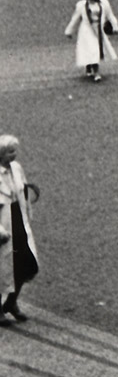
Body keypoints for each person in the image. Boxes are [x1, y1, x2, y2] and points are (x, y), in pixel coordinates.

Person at [0, 137, 37, 325]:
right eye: (9, 152)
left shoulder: (16, 168)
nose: (13, 155)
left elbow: (23, 190)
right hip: (3, 225)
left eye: (14, 151)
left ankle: (12, 302)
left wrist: (28, 212)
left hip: (18, 220)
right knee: (2, 269)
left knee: (25, 264)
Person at [64, 0, 116, 83]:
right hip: (86, 31)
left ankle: (93, 69)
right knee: (91, 50)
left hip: (99, 30)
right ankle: (94, 71)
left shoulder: (103, 3)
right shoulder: (81, 5)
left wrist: (115, 26)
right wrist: (69, 31)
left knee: (95, 50)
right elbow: (75, 19)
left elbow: (110, 15)